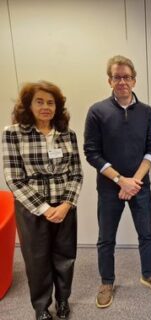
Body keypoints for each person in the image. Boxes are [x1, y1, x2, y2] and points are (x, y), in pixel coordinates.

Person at [84, 55, 151, 308]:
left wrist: (134, 181)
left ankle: (148, 274)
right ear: (109, 80)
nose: (122, 81)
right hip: (110, 187)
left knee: (147, 233)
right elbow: (91, 152)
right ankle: (107, 282)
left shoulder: (146, 111)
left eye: (127, 77)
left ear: (134, 80)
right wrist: (121, 181)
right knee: (106, 238)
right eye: (117, 77)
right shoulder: (97, 111)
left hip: (140, 185)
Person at [2, 81, 83, 320]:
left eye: (51, 102)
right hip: (32, 209)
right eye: (40, 101)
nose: (46, 106)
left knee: (65, 258)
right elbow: (14, 178)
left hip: (65, 207)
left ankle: (62, 300)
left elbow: (76, 173)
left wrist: (66, 204)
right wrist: (46, 208)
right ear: (28, 104)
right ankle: (41, 307)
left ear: (57, 107)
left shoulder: (68, 134)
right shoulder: (13, 133)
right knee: (37, 261)